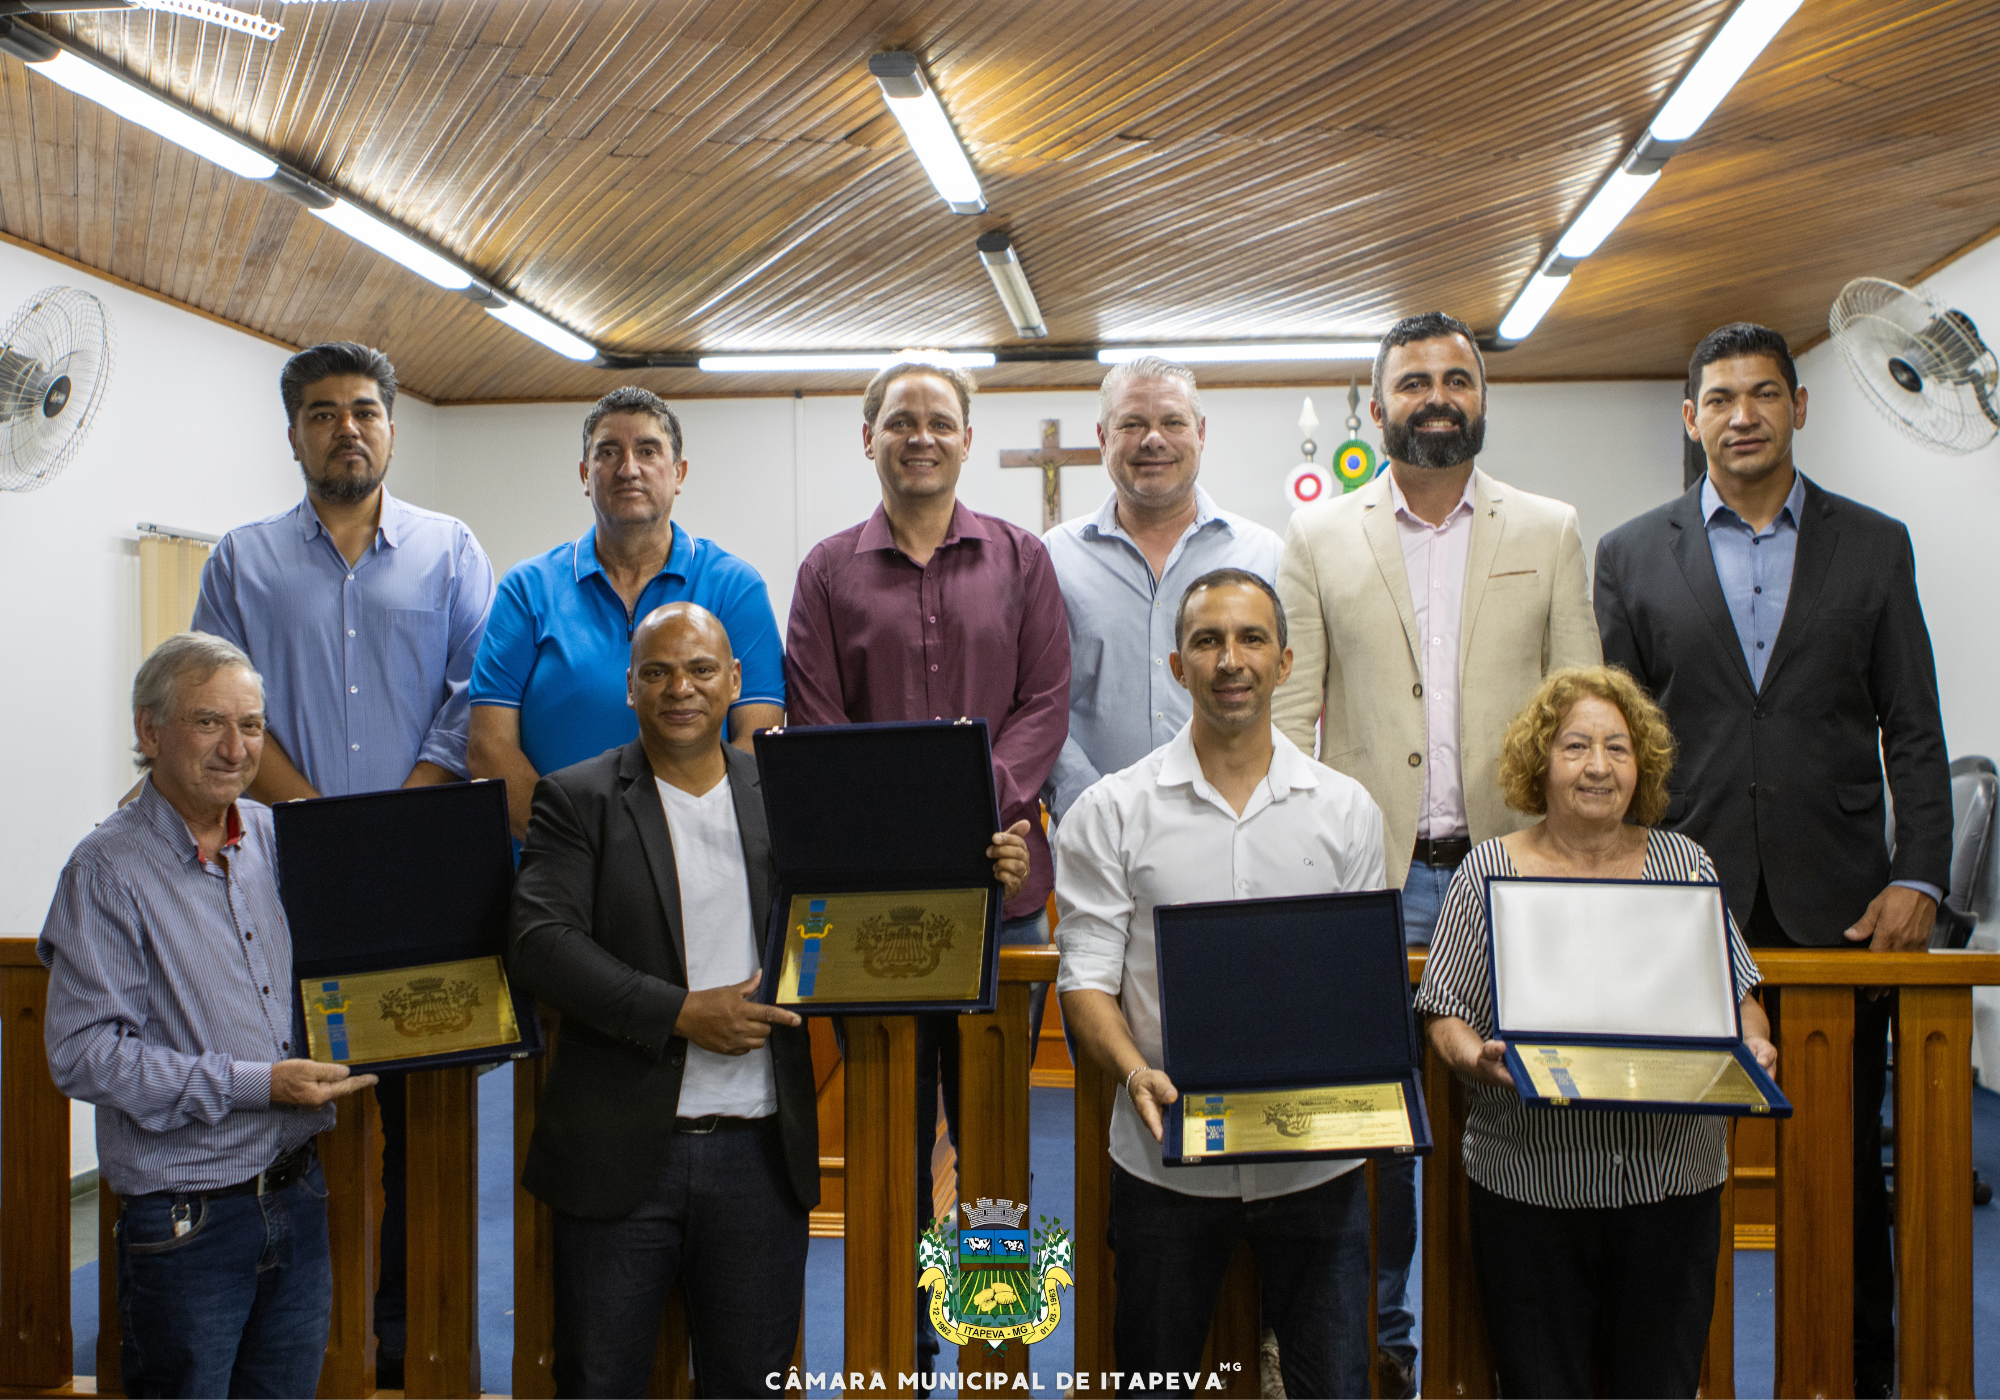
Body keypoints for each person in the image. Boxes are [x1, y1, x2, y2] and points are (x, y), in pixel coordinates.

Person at [510, 602, 1029, 1397]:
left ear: (736, 682)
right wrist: (682, 1014)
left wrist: (982, 869)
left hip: (759, 1157)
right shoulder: (577, 799)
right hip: (619, 1157)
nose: (680, 688)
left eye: (701, 670)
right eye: (658, 672)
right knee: (599, 1381)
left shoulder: (787, 788)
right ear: (630, 688)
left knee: (752, 1385)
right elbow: (543, 945)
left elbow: (884, 887)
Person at [1592, 322, 1952, 1396]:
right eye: (1718, 396)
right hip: (1678, 901)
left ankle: (1856, 1372)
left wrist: (1917, 872)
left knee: (1841, 1167)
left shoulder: (1872, 544)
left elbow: (1913, 725)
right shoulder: (1628, 551)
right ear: (1689, 416)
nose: (1739, 413)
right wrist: (1616, 878)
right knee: (1661, 1156)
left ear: (1799, 407)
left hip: (1837, 904)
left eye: (1761, 393)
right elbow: (1616, 739)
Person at [1271, 310, 1601, 1395]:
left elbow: (1576, 708)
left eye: (1454, 377)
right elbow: (1287, 719)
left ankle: (1509, 1354)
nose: (1434, 395)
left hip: (1515, 870)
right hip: (1371, 877)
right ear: (1375, 406)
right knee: (1376, 1123)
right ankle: (1386, 1350)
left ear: (1482, 397)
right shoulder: (1318, 538)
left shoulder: (1547, 528)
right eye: (1411, 379)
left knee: (1521, 1108)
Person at [191, 341, 493, 1383]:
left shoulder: (451, 549)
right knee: (300, 1103)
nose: (346, 427)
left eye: (363, 409)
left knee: (415, 1106)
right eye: (322, 412)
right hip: (287, 871)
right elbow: (225, 706)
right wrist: (319, 820)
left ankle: (406, 1333)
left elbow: (471, 694)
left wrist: (400, 823)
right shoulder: (240, 561)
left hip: (422, 874)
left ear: (392, 428)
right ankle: (307, 1329)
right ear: (294, 434)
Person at [783, 351, 1069, 1379]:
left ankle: (993, 1350)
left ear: (964, 437)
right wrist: (919, 828)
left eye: (938, 421)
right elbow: (817, 724)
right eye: (898, 420)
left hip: (1003, 900)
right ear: (868, 438)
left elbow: (1045, 700)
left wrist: (976, 806)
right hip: (875, 917)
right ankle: (894, 1351)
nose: (918, 436)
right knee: (890, 1143)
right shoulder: (824, 571)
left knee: (992, 1149)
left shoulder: (1020, 557)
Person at [1056, 568, 1387, 1399]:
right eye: (1207, 641)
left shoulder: (1344, 812)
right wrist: (1134, 1071)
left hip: (1316, 1167)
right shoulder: (1111, 811)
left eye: (1249, 639)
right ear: (1177, 665)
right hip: (1165, 1163)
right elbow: (1086, 981)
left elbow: (1359, 987)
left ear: (1283, 661)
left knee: (1332, 1387)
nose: (1228, 660)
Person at [1414, 665, 1774, 1397]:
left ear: (1641, 766)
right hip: (1531, 1188)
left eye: (1618, 747)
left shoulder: (1686, 865)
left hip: (1669, 1184)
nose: (1599, 767)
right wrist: (1476, 1060)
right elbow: (1443, 1011)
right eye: (1576, 746)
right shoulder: (1487, 870)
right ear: (1539, 762)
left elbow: (1740, 993)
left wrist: (1755, 1041)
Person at [39, 633, 377, 1399]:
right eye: (208, 722)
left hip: (297, 1193)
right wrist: (260, 1084)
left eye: (251, 726)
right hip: (186, 1221)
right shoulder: (106, 872)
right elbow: (85, 1055)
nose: (235, 747)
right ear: (149, 730)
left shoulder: (269, 836)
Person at [470, 386, 786, 841]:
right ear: (585, 474)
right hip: (555, 863)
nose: (628, 469)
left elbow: (758, 740)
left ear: (678, 473)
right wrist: (577, 850)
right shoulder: (527, 589)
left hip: (699, 855)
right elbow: (488, 748)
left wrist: (669, 849)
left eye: (648, 450)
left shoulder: (734, 587)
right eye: (608, 452)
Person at [1042, 355, 1281, 821]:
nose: (1154, 440)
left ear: (1201, 432)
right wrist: (1088, 803)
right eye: (1132, 424)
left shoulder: (1263, 555)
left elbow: (1290, 696)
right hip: (1094, 834)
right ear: (1102, 438)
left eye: (1173, 422)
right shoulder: (1054, 558)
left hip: (1236, 823)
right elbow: (1037, 700)